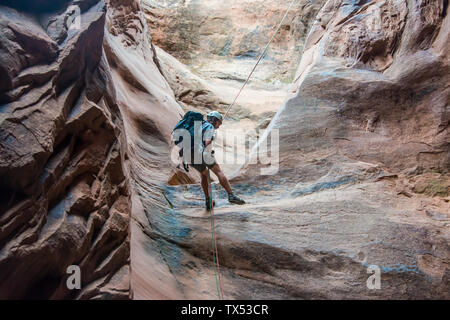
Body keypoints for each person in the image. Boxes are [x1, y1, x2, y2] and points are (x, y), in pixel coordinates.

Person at [190, 111, 246, 210]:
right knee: (218, 172)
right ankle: (231, 195)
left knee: (204, 174)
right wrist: (207, 150)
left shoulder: (197, 125)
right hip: (202, 152)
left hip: (189, 155)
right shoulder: (209, 126)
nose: (218, 126)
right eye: (218, 123)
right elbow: (207, 140)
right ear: (214, 120)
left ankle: (208, 200)